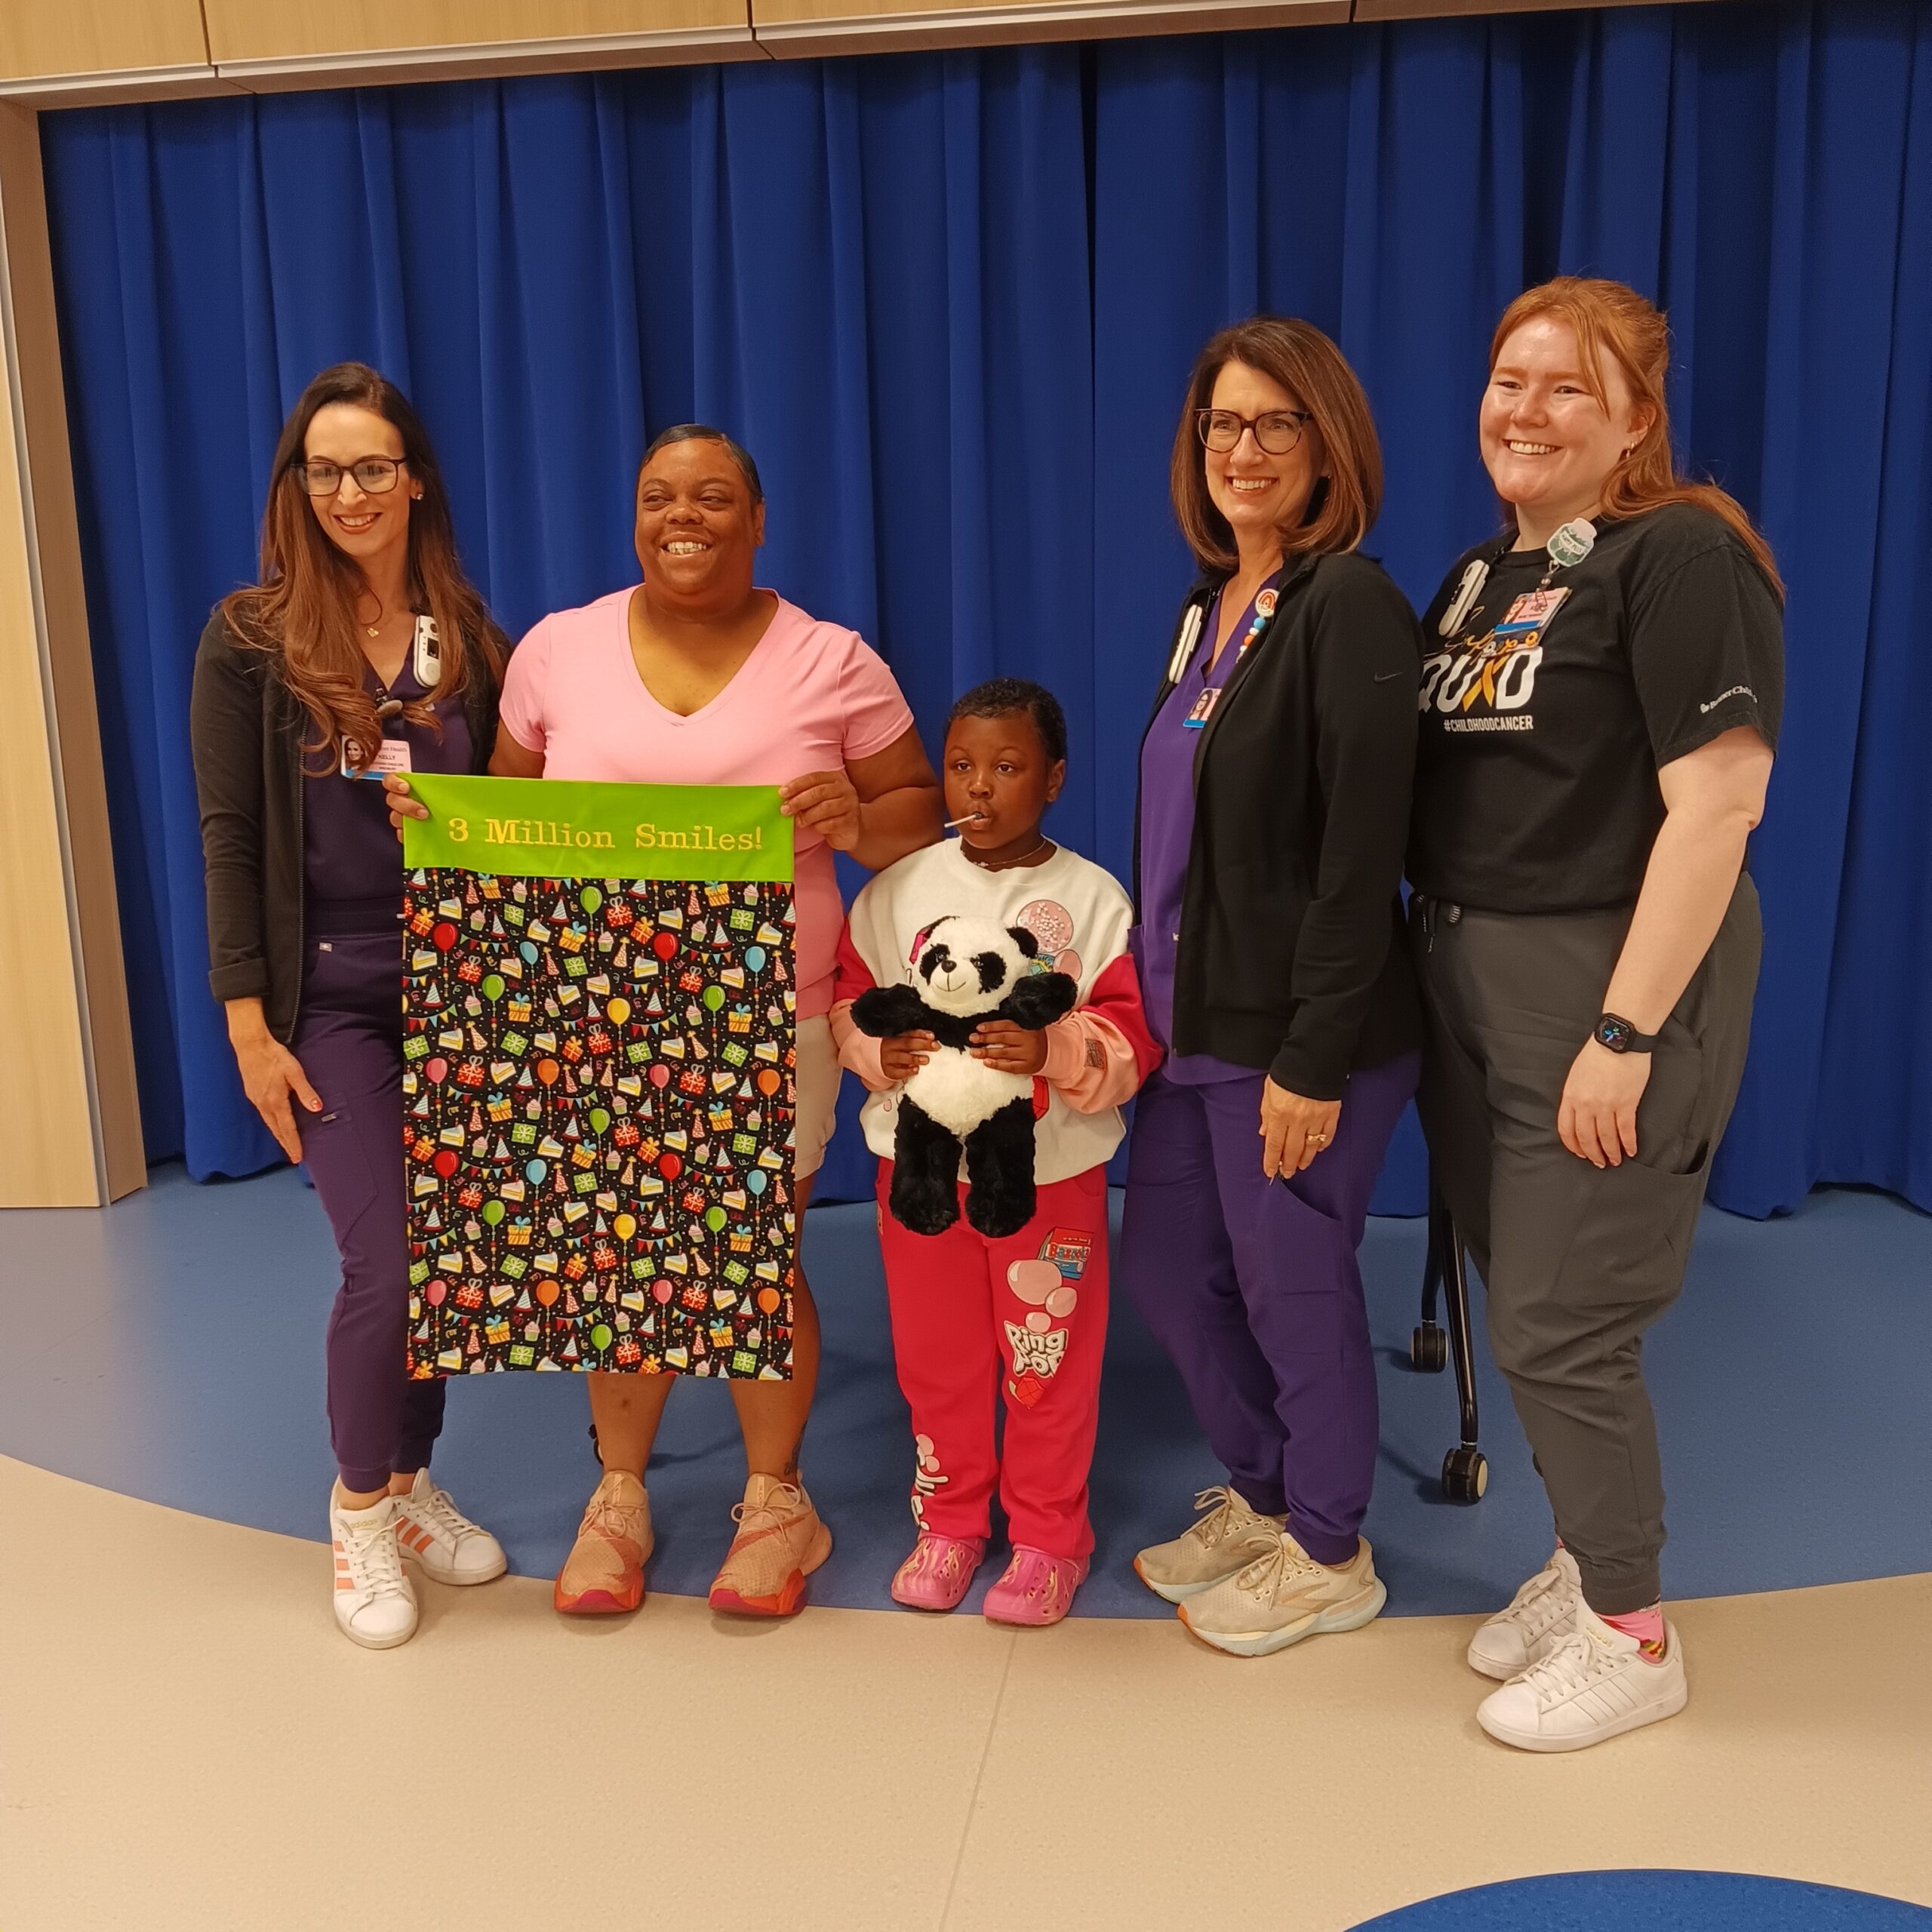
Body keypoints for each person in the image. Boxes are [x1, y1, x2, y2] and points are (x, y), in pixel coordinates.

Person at [392, 423, 942, 1619]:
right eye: (658, 496)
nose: (681, 516)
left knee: (752, 1249)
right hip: (594, 1007)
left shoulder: (832, 660)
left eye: (711, 496)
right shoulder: (557, 649)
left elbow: (920, 808)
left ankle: (777, 1503)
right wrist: (439, 823)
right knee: (619, 1246)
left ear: (758, 519)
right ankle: (620, 1497)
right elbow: (508, 816)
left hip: (774, 1007)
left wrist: (854, 818)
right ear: (634, 516)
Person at [1410, 276, 1783, 1752]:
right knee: (1523, 1292)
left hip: (1601, 980)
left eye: (1568, 385)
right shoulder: (1479, 575)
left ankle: (1631, 1633)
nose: (1526, 409)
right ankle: (1579, 1562)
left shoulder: (1679, 552)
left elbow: (1720, 804)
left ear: (1635, 417)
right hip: (1468, 974)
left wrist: (1623, 1034)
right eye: (1510, 379)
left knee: (1564, 1322)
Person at [190, 363, 510, 1650]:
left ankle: (414, 1479)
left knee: (450, 1256)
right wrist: (247, 1026)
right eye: (324, 470)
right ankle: (360, 1508)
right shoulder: (251, 638)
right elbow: (228, 836)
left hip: (455, 986)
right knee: (388, 1259)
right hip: (326, 993)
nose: (349, 492)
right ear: (297, 486)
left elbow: (512, 820)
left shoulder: (467, 638)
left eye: (373, 466)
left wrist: (462, 818)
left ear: (414, 480)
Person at [1117, 318, 1423, 1658]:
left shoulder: (1347, 604)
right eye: (1222, 424)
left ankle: (1332, 1548)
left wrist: (1313, 1054)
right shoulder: (1210, 607)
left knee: (1291, 1288)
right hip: (1192, 1023)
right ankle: (1267, 1495)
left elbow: (1364, 851)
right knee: (1169, 1272)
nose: (1243, 449)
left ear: (1328, 445)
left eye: (1275, 423)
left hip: (1304, 1035)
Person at [830, 680, 1160, 1626]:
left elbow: (1134, 1035)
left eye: (1007, 767)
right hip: (919, 1175)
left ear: (1053, 778)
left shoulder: (1092, 899)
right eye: (962, 766)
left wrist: (1053, 1050)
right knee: (938, 1359)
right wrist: (877, 1052)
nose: (979, 787)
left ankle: (1050, 1536)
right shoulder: (897, 891)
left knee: (1043, 1357)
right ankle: (949, 1522)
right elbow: (849, 1004)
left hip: (1049, 1176)